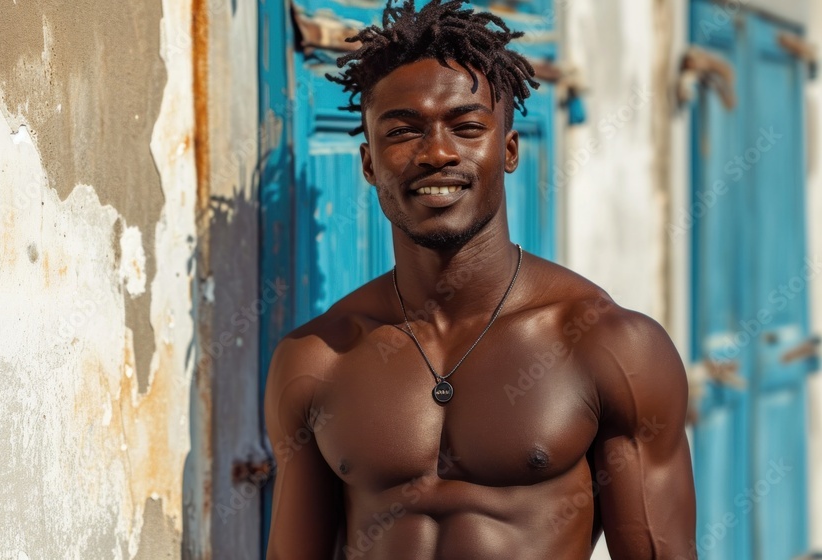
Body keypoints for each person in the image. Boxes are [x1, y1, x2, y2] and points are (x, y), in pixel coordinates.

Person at [264, 1, 697, 558]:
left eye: (467, 128)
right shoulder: (316, 358)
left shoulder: (609, 344)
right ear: (369, 163)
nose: (437, 153)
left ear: (509, 150)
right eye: (403, 132)